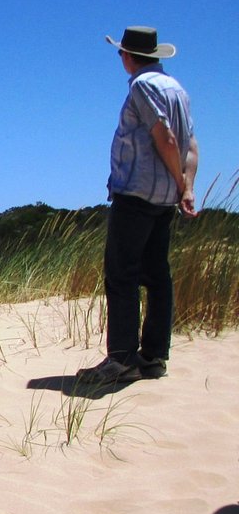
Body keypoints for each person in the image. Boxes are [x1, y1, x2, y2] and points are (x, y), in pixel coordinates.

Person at [77, 27, 199, 384]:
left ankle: (122, 358)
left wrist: (180, 181)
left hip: (136, 194)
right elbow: (191, 144)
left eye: (120, 54)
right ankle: (155, 356)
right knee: (158, 275)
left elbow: (166, 136)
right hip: (164, 200)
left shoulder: (143, 86)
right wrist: (185, 187)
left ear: (127, 56)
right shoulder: (178, 89)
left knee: (122, 274)